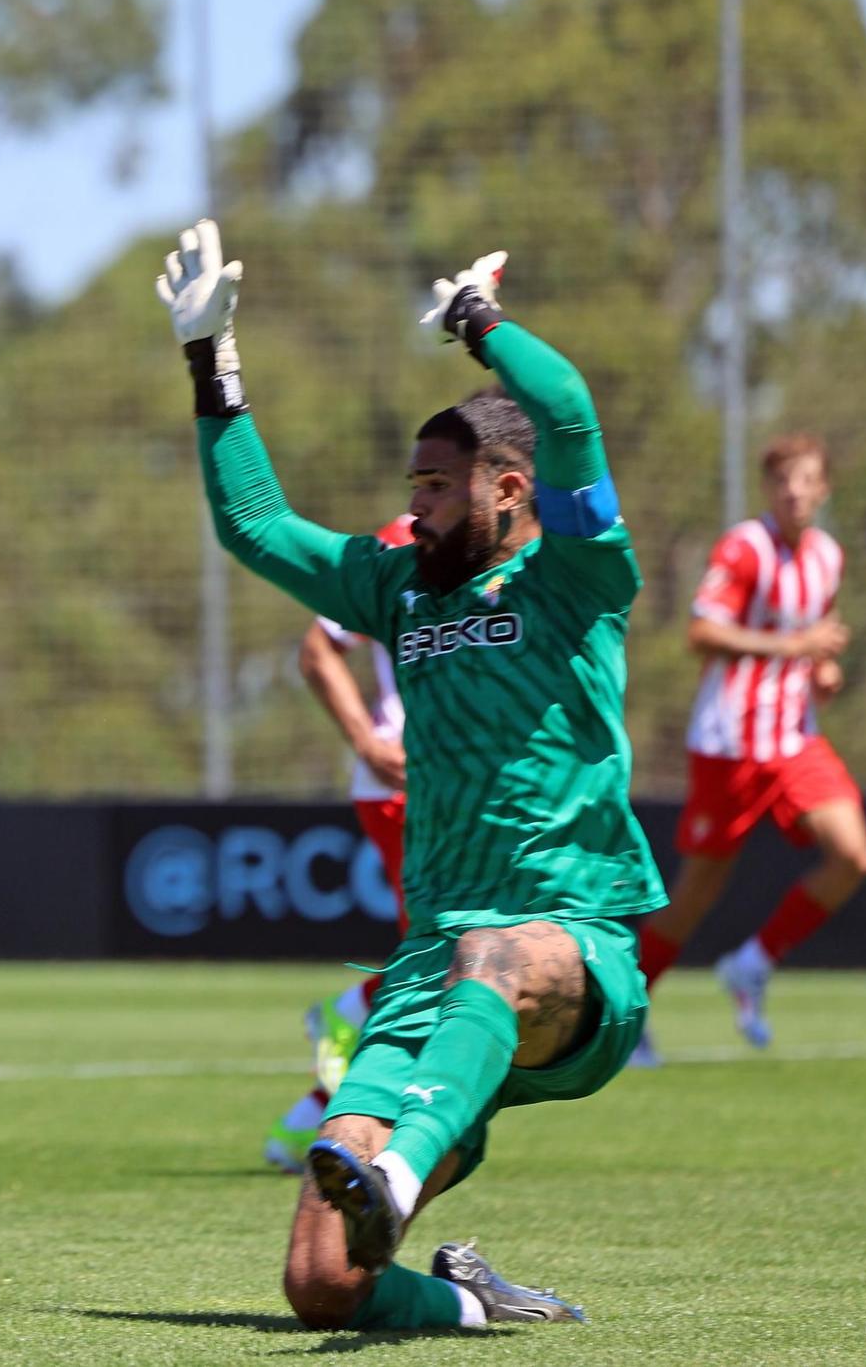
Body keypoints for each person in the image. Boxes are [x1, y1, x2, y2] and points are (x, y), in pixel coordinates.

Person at [157, 224, 663, 1329]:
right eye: (413, 486)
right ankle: (474, 1305)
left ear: (510, 490)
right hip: (431, 969)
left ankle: (398, 1171)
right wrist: (211, 359)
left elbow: (568, 407)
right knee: (319, 1287)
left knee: (494, 953)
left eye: (435, 487)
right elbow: (252, 525)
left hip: (572, 948)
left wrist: (478, 326)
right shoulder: (402, 594)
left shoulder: (577, 576)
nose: (414, 506)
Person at [632, 434, 866, 1059]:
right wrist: (794, 649)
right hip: (730, 743)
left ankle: (753, 962)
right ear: (769, 489)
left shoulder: (827, 556)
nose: (794, 491)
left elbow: (813, 640)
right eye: (782, 480)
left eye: (806, 479)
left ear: (824, 490)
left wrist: (820, 671)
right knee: (696, 895)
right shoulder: (745, 548)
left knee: (855, 856)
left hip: (794, 737)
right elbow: (702, 632)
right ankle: (626, 1017)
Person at [264, 515, 414, 1174]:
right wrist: (366, 739)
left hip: (468, 786)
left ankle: (307, 1120)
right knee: (451, 957)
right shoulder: (405, 540)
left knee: (448, 957)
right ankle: (349, 1023)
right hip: (407, 783)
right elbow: (318, 647)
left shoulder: (534, 541)